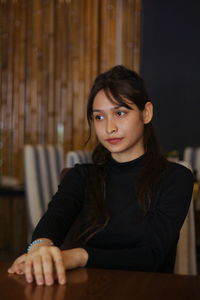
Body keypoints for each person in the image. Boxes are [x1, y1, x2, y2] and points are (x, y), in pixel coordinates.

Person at [8, 65, 194, 286]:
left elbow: (151, 256)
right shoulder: (81, 176)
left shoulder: (176, 177)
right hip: (86, 291)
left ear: (146, 113)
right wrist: (39, 249)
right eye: (99, 117)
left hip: (147, 292)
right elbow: (54, 219)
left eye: (120, 113)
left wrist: (79, 256)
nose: (109, 127)